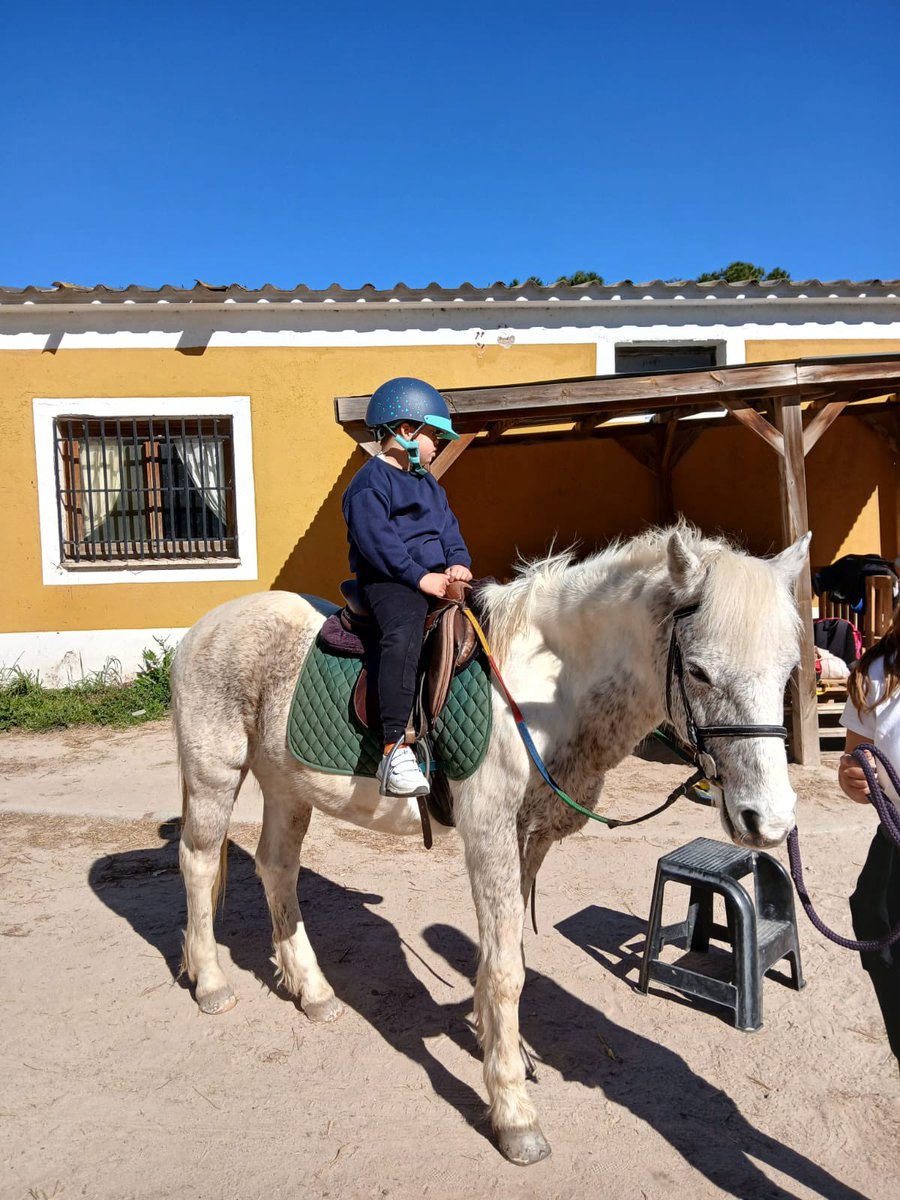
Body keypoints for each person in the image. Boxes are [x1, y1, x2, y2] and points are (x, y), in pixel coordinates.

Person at [341, 377, 473, 798]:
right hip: (390, 580)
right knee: (404, 629)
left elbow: (448, 528)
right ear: (405, 432)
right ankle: (394, 747)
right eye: (435, 436)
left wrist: (458, 563)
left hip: (435, 577)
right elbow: (377, 542)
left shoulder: (429, 484)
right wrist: (420, 577)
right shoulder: (368, 484)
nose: (438, 445)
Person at [838, 600, 900, 1066]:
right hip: (896, 835)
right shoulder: (877, 672)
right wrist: (853, 779)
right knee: (874, 918)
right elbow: (854, 759)